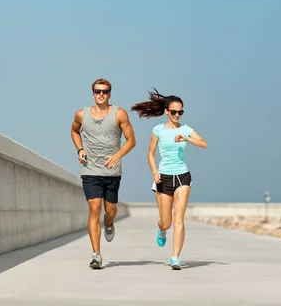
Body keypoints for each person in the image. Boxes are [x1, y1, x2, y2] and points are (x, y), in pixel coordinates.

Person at [131, 88, 208, 270]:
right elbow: (150, 153)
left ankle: (175, 257)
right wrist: (154, 171)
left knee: (179, 218)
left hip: (182, 176)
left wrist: (188, 139)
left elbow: (204, 144)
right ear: (167, 111)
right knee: (167, 222)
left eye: (180, 112)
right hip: (163, 178)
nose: (177, 115)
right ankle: (161, 229)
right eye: (174, 112)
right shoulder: (158, 130)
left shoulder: (186, 130)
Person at [70, 78, 136, 269]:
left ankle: (109, 222)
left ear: (109, 94)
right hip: (90, 170)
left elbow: (131, 140)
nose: (101, 94)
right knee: (94, 209)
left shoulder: (119, 114)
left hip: (112, 172)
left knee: (110, 211)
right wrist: (80, 150)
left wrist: (118, 155)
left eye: (105, 92)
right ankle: (96, 255)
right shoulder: (82, 114)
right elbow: (74, 131)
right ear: (93, 94)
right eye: (98, 91)